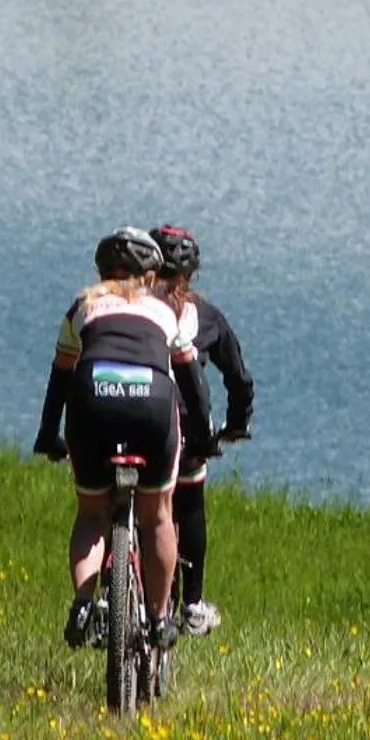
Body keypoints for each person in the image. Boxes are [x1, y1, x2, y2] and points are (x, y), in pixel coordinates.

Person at [31, 226, 215, 651]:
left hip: (92, 401)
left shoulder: (83, 306)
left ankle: (83, 602)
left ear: (101, 271)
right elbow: (192, 380)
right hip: (151, 406)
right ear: (150, 274)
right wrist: (203, 436)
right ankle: (159, 619)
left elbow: (60, 377)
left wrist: (48, 434)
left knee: (91, 514)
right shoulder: (164, 311)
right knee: (157, 516)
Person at [149, 225, 254, 637]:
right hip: (185, 426)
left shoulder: (130, 308)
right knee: (189, 499)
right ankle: (191, 603)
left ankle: (113, 590)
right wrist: (237, 423)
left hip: (131, 417)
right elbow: (239, 379)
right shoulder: (206, 316)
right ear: (191, 274)